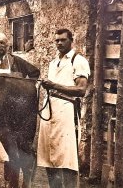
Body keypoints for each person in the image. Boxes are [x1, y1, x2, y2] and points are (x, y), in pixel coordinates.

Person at [0, 32, 40, 186]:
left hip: (14, 113)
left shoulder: (16, 61)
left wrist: (20, 84)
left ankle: (13, 182)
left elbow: (35, 74)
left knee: (14, 148)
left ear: (8, 46)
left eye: (2, 43)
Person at [38, 29, 90, 188]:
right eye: (57, 40)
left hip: (66, 111)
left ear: (71, 40)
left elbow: (81, 90)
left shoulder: (78, 60)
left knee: (67, 158)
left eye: (63, 40)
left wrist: (54, 86)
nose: (59, 43)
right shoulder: (53, 62)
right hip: (49, 111)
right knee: (48, 157)